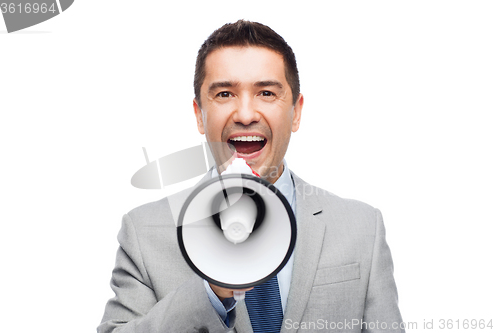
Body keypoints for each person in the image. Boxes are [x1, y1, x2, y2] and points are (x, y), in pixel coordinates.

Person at [98, 20, 404, 333]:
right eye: (225, 94)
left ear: (296, 112)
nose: (245, 115)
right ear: (199, 114)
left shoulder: (363, 228)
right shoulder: (143, 233)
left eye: (267, 93)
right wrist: (209, 293)